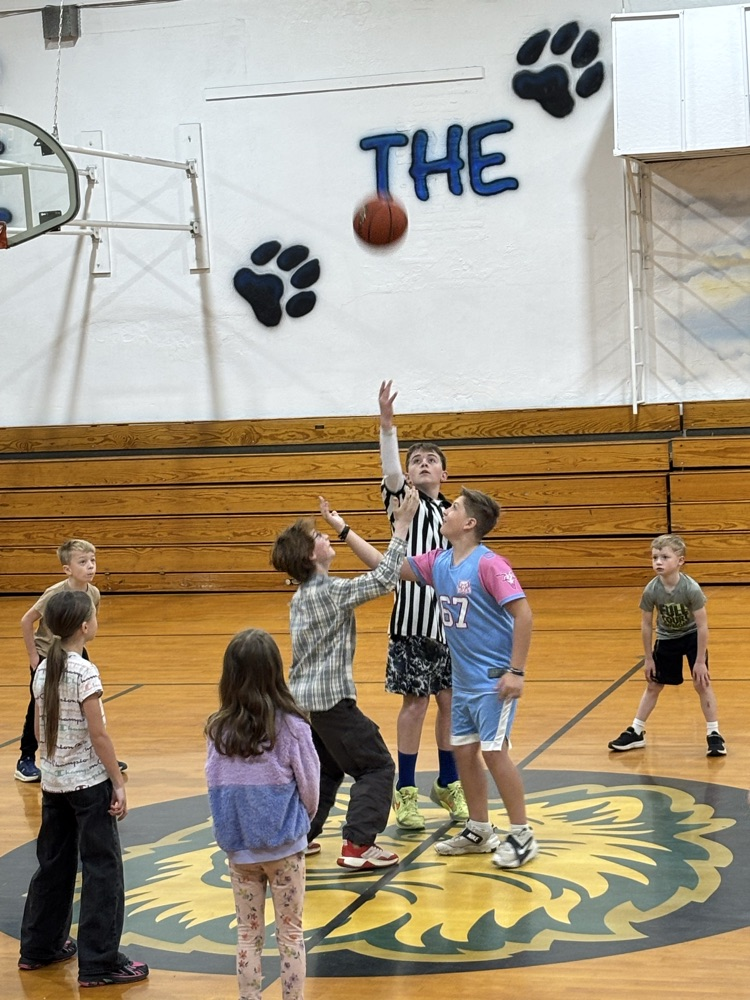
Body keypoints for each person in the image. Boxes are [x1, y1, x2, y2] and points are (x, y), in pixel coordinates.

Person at [321, 487, 538, 870]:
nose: (447, 511)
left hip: (493, 681)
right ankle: (479, 829)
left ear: (469, 523)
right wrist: (344, 531)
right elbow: (385, 567)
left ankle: (522, 835)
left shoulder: (490, 564)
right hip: (465, 681)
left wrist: (516, 671)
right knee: (465, 753)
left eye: (454, 508)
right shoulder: (440, 562)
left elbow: (524, 614)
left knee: (493, 752)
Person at [270, 487, 419, 871]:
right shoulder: (329, 592)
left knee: (327, 770)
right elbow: (387, 578)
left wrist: (340, 527)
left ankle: (299, 836)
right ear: (310, 555)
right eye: (319, 537)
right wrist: (400, 527)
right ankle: (358, 843)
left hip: (306, 704)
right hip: (331, 702)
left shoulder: (303, 594)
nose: (325, 538)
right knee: (377, 765)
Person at [18, 589, 148, 988]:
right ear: (83, 626)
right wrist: (118, 781)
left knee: (54, 865)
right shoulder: (83, 671)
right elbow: (99, 734)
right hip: (88, 785)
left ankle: (40, 948)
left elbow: (40, 731)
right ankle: (100, 962)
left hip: (54, 785)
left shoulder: (42, 670)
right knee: (102, 869)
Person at [205, 628, 320, 1000]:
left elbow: (215, 785)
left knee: (246, 935)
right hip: (285, 848)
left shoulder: (218, 729)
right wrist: (302, 820)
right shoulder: (292, 727)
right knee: (290, 934)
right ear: (276, 672)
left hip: (240, 851)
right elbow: (311, 786)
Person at [378, 380, 466, 831]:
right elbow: (391, 469)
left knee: (450, 704)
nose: (423, 463)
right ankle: (406, 790)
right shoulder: (403, 500)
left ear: (445, 474)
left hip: (449, 626)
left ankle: (448, 782)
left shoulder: (456, 513)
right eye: (418, 460)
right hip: (412, 624)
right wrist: (388, 426)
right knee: (416, 704)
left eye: (432, 460)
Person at [16, 539, 126, 782]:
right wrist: (34, 656)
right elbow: (26, 620)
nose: (90, 566)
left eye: (93, 561)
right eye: (83, 562)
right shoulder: (55, 594)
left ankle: (97, 754)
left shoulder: (93, 593)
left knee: (87, 703)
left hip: (75, 654)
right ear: (67, 569)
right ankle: (25, 758)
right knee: (39, 706)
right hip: (49, 655)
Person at [608, 533, 727, 757]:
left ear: (680, 561)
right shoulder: (652, 590)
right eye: (654, 558)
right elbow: (646, 625)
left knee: (702, 683)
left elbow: (702, 626)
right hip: (667, 638)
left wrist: (700, 661)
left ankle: (714, 734)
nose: (658, 562)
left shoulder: (691, 589)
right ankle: (636, 731)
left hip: (692, 636)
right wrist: (649, 658)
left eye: (664, 557)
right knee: (653, 685)